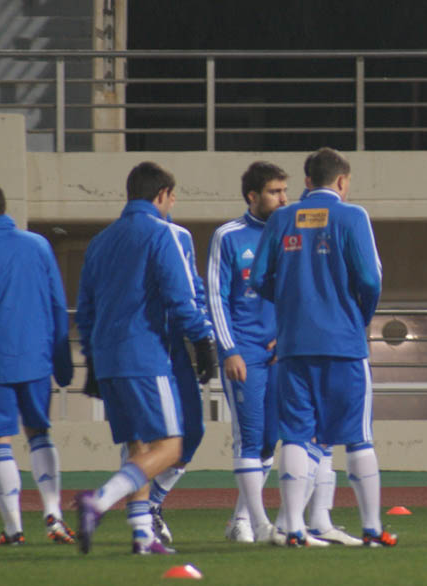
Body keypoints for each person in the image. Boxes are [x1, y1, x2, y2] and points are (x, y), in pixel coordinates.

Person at [249, 147, 395, 548]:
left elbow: (258, 278)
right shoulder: (352, 216)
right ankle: (371, 528)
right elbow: (371, 279)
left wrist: (291, 303)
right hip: (344, 344)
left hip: (294, 345)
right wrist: (358, 316)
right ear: (342, 181)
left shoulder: (281, 218)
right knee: (358, 437)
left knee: (296, 435)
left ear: (307, 181)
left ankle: (294, 528)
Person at [75, 161, 217, 555]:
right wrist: (203, 340)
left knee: (137, 447)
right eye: (172, 196)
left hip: (108, 357)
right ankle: (99, 502)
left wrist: (91, 359)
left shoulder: (100, 241)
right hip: (146, 353)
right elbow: (181, 296)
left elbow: (85, 308)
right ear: (161, 195)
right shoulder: (161, 234)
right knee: (171, 446)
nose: (173, 203)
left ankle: (141, 534)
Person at [0, 180, 76, 546]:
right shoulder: (38, 244)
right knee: (39, 433)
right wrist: (62, 359)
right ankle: (54, 515)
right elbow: (57, 304)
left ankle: (13, 528)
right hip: (36, 358)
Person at [208, 161, 288, 544]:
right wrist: (229, 349)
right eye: (275, 191)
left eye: (284, 190)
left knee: (271, 440)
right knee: (250, 439)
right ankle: (258, 524)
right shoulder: (228, 236)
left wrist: (286, 336)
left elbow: (296, 290)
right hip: (244, 352)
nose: (283, 198)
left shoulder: (289, 234)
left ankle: (240, 518)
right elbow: (216, 297)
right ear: (253, 196)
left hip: (280, 353)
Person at [144, 213, 209, 546]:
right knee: (143, 438)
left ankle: (151, 503)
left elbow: (193, 288)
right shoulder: (119, 237)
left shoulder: (179, 236)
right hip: (138, 350)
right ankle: (138, 518)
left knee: (192, 431)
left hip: (174, 350)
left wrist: (203, 335)